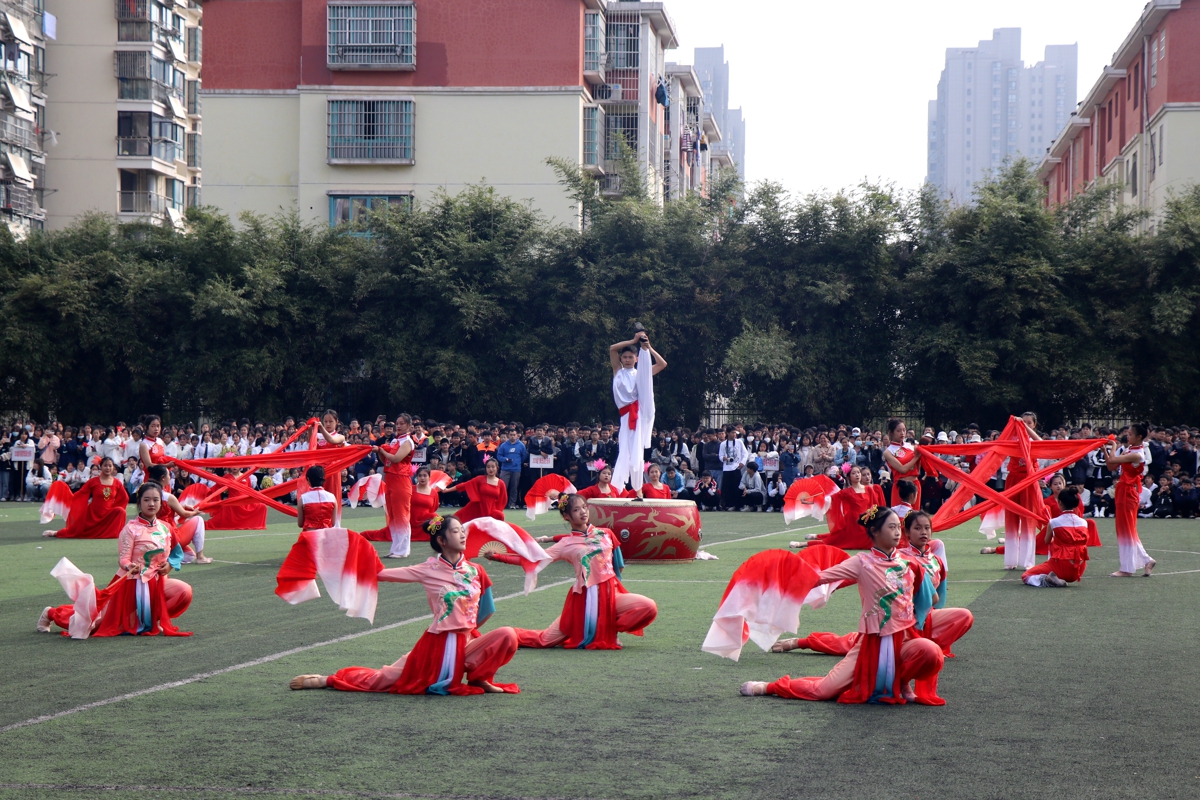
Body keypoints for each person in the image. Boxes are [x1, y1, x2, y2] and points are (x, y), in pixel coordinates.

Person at [288, 515, 520, 695]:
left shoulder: (475, 570)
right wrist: (340, 552)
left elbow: (487, 608)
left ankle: (480, 678)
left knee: (508, 635)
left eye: (463, 531)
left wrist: (468, 631)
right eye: (456, 531)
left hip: (466, 641)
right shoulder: (428, 569)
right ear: (441, 540)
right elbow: (380, 574)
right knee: (384, 680)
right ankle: (326, 679)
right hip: (437, 646)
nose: (462, 535)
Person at [739, 506, 947, 705]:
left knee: (932, 653)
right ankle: (770, 687)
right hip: (872, 644)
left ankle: (901, 683)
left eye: (897, 527)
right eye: (891, 527)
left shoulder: (908, 562)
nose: (896, 533)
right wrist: (775, 578)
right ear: (874, 531)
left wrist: (914, 617)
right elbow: (820, 578)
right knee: (824, 691)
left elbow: (931, 599)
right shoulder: (862, 562)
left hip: (904, 640)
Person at [774, 510, 973, 667]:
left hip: (924, 617)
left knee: (964, 616)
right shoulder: (900, 558)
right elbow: (864, 574)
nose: (923, 532)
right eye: (917, 528)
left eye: (927, 528)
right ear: (907, 533)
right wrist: (829, 587)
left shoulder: (936, 560)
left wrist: (926, 614)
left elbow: (940, 596)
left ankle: (929, 647)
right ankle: (804, 642)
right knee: (850, 644)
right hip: (895, 618)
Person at [488, 494, 656, 650]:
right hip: (584, 601)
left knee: (648, 607)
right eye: (576, 510)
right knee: (545, 640)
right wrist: (498, 557)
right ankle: (503, 635)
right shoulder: (565, 544)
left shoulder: (606, 533)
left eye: (584, 507)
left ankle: (608, 630)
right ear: (566, 516)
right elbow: (533, 560)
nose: (583, 512)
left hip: (611, 594)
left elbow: (616, 563)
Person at [38, 481, 193, 638]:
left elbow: (176, 553)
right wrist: (129, 566)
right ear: (139, 503)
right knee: (94, 624)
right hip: (130, 584)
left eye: (155, 499)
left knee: (183, 592)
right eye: (146, 500)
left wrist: (169, 566)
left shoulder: (166, 528)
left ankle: (151, 622)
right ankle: (51, 613)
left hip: (158, 583)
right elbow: (124, 558)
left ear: (161, 502)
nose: (151, 504)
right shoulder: (131, 529)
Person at [608, 329, 667, 493]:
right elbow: (612, 348)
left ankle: (638, 489)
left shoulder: (642, 374)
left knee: (637, 452)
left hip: (639, 416)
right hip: (625, 417)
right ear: (621, 359)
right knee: (625, 450)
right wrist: (633, 341)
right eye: (625, 357)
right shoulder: (617, 371)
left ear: (637, 359)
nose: (627, 360)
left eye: (630, 357)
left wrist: (648, 347)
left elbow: (662, 364)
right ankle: (617, 488)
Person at [1104, 425, 1156, 577]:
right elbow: (1110, 465)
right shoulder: (1129, 450)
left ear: (1139, 437)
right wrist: (1104, 449)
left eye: (1131, 434)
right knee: (1125, 529)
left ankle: (1127, 568)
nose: (1128, 436)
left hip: (1128, 491)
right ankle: (1146, 559)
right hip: (1123, 490)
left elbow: (1113, 459)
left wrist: (1113, 445)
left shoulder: (1137, 454)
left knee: (1126, 530)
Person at [797, 465, 886, 550]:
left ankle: (815, 536)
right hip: (852, 522)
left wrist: (871, 518)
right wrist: (809, 500)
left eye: (858, 472)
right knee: (831, 541)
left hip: (866, 522)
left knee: (874, 541)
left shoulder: (869, 489)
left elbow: (875, 506)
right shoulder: (846, 492)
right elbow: (829, 499)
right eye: (854, 473)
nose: (857, 475)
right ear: (849, 477)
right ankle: (802, 544)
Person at [43, 457, 129, 539]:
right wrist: (66, 493)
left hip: (108, 514)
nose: (108, 468)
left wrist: (113, 508)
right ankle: (56, 533)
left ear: (113, 467)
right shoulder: (93, 481)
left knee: (121, 511)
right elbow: (80, 494)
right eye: (105, 465)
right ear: (100, 467)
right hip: (92, 515)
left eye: (110, 466)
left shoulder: (117, 483)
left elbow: (124, 498)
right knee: (75, 531)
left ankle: (111, 533)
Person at [998, 412, 1043, 571]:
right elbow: (998, 445)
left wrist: (1024, 427)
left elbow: (1041, 442)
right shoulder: (1012, 440)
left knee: (1028, 518)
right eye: (1023, 422)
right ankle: (1011, 560)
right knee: (1011, 518)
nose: (1025, 425)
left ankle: (1027, 562)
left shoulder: (1033, 441)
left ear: (1034, 425)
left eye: (1029, 423)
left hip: (1029, 480)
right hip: (1013, 480)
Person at [1022, 488, 1090, 588]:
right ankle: (1053, 578)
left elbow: (1047, 541)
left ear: (1060, 502)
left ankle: (1046, 579)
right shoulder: (1084, 522)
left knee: (1026, 575)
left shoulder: (1054, 522)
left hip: (1061, 565)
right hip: (1079, 568)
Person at [373, 414, 416, 558]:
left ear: (409, 425)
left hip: (401, 480)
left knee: (401, 515)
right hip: (390, 479)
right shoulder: (395, 441)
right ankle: (396, 548)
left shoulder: (408, 441)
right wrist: (381, 452)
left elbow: (396, 458)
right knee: (392, 515)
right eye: (397, 423)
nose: (399, 426)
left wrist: (381, 450)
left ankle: (403, 549)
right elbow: (385, 460)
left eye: (402, 423)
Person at [444, 457, 507, 523]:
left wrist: (498, 509)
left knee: (500, 515)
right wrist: (447, 490)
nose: (490, 469)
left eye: (493, 467)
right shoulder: (480, 479)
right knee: (455, 520)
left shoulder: (501, 483)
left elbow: (503, 499)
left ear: (497, 468)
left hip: (492, 508)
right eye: (488, 467)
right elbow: (464, 485)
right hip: (478, 507)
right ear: (485, 468)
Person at [314, 409, 347, 526]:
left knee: (332, 498)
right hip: (318, 473)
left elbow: (331, 440)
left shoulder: (340, 436)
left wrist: (320, 428)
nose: (328, 424)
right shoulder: (317, 436)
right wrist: (310, 429)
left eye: (330, 421)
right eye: (325, 421)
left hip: (333, 471)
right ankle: (320, 525)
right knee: (319, 499)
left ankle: (335, 526)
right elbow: (310, 443)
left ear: (336, 422)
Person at [882, 419, 921, 510]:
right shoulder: (888, 452)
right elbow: (902, 469)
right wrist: (915, 457)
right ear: (891, 432)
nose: (902, 433)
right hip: (901, 486)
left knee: (915, 517)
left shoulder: (911, 446)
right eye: (898, 431)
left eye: (904, 430)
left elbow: (917, 467)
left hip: (915, 484)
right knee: (900, 518)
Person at [296, 465, 338, 533]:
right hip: (327, 535)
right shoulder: (332, 497)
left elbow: (300, 524)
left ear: (308, 479)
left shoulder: (303, 499)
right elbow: (333, 523)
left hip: (309, 536)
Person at [495, 428, 526, 509]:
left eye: (514, 435)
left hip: (516, 470)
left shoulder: (521, 445)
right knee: (503, 487)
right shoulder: (503, 445)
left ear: (517, 435)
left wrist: (517, 463)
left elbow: (524, 456)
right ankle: (502, 503)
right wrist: (505, 459)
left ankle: (512, 503)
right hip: (505, 469)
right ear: (508, 435)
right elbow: (499, 456)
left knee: (514, 487)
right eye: (511, 435)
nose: (512, 436)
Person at [719, 427, 749, 510]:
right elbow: (720, 455)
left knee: (737, 487)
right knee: (728, 488)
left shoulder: (739, 442)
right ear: (727, 433)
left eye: (735, 433)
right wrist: (723, 458)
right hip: (727, 468)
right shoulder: (723, 444)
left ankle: (739, 505)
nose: (734, 434)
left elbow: (745, 453)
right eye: (732, 432)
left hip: (736, 467)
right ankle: (730, 505)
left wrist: (742, 462)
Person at [408, 465, 441, 540]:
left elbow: (434, 508)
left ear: (429, 477)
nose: (422, 478)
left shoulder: (434, 492)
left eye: (425, 475)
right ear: (417, 477)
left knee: (435, 516)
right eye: (420, 476)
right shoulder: (410, 488)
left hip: (425, 522)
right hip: (410, 520)